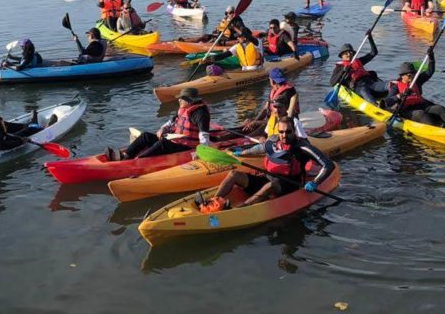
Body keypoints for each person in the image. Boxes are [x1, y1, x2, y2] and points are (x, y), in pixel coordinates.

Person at [199, 116, 335, 212]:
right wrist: (243, 152)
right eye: (281, 132)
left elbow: (328, 164)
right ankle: (214, 201)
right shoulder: (272, 140)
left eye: (288, 131)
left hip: (288, 185)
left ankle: (242, 209)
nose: (284, 135)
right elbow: (260, 148)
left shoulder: (302, 147)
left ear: (294, 131)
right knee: (234, 174)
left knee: (271, 185)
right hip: (267, 178)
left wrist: (315, 182)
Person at [107, 87, 211, 160]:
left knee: (163, 144)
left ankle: (139, 160)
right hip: (175, 140)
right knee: (146, 136)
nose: (179, 100)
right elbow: (172, 122)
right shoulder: (184, 109)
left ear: (189, 101)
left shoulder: (200, 114)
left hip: (186, 146)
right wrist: (162, 129)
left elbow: (204, 135)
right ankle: (126, 155)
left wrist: (201, 151)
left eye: (182, 99)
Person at [382, 53, 445, 129]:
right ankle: (437, 128)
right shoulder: (396, 87)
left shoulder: (416, 81)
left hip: (421, 105)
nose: (412, 76)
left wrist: (431, 58)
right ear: (402, 76)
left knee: (439, 108)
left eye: (413, 74)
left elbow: (430, 71)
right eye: (409, 75)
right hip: (407, 111)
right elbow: (387, 102)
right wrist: (400, 95)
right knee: (421, 114)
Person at [244, 67, 305, 137]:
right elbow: (265, 109)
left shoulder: (286, 93)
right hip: (271, 121)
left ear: (271, 81)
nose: (280, 84)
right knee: (247, 122)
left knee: (250, 134)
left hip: (281, 122)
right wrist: (254, 121)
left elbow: (284, 119)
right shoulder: (275, 90)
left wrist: (255, 123)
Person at [329, 36, 386, 101]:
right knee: (364, 91)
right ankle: (375, 105)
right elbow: (332, 82)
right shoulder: (339, 67)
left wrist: (370, 38)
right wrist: (343, 70)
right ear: (342, 56)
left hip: (370, 83)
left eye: (350, 52)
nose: (349, 54)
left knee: (390, 85)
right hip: (359, 88)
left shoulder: (359, 61)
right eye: (346, 53)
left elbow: (374, 53)